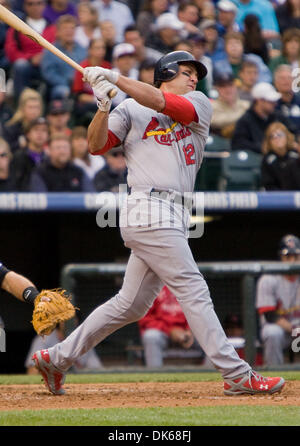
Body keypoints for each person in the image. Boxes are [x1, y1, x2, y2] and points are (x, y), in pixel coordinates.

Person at [32, 49, 285, 396]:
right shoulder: (131, 109)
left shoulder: (199, 103)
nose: (194, 77)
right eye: (185, 71)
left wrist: (116, 78)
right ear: (165, 71)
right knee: (194, 290)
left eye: (196, 73)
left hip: (175, 212)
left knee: (130, 304)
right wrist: (104, 106)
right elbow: (96, 145)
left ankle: (56, 358)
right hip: (147, 206)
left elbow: (167, 105)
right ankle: (236, 373)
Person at [256, 234, 300, 366]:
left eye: (296, 256)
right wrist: (295, 330)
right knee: (272, 333)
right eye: (287, 256)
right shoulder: (269, 278)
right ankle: (275, 373)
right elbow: (270, 315)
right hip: (280, 328)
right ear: (281, 257)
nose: (292, 260)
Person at [139, 285, 204, 368]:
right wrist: (170, 330)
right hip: (162, 332)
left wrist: (189, 329)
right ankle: (155, 377)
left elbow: (200, 312)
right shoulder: (153, 284)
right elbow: (145, 318)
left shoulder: (189, 282)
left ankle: (212, 377)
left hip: (188, 332)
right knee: (150, 336)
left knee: (212, 335)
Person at [4, 0, 56, 98]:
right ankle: (20, 102)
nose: (35, 7)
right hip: (28, 66)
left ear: (44, 5)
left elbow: (59, 48)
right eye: (30, 4)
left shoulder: (53, 28)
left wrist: (45, 57)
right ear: (25, 6)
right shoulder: (16, 27)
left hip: (48, 65)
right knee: (20, 65)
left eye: (39, 3)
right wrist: (30, 58)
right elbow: (11, 52)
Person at [231, 82, 293, 153]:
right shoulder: (245, 121)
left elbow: (293, 130)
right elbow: (238, 143)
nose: (275, 104)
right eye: (270, 101)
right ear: (259, 101)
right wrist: (265, 147)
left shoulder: (278, 116)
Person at [25, 322, 103, 374]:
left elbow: (96, 368)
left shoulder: (83, 340)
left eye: (73, 318)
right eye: (66, 319)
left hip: (77, 383)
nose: (70, 322)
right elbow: (32, 369)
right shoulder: (44, 339)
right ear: (59, 321)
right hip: (52, 380)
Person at [41, 14, 86, 100]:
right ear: (57, 32)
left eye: (72, 28)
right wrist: (67, 82)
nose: (69, 31)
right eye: (65, 28)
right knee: (63, 91)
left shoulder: (82, 49)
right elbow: (49, 74)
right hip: (61, 85)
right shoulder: (50, 50)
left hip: (81, 86)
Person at [30, 134, 94, 192]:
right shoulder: (40, 172)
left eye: (65, 147)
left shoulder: (78, 171)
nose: (62, 151)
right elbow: (40, 198)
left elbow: (90, 195)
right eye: (58, 148)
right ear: (49, 150)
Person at [72, 38, 111, 125]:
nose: (101, 51)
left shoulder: (108, 67)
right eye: (97, 48)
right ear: (90, 50)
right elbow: (79, 96)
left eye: (102, 48)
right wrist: (97, 99)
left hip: (105, 102)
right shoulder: (82, 68)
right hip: (88, 103)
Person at [10, 117, 49, 191]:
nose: (40, 133)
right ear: (28, 134)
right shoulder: (18, 157)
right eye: (36, 129)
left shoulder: (50, 159)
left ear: (48, 136)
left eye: (44, 130)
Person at [261, 121, 299, 191]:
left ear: (287, 136)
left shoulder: (295, 155)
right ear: (269, 141)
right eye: (272, 136)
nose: (277, 139)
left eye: (280, 135)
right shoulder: (267, 160)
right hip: (276, 196)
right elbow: (268, 184)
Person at [3, 88, 43, 153]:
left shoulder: (44, 126)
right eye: (30, 107)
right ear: (22, 108)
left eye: (37, 107)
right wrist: (19, 144)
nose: (34, 111)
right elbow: (5, 151)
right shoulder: (11, 128)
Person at [210, 71, 250, 138]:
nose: (227, 89)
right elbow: (215, 122)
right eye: (223, 86)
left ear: (235, 86)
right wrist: (244, 116)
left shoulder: (246, 105)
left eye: (230, 85)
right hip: (220, 143)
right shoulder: (211, 106)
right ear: (217, 88)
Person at [273, 65, 300, 136]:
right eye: (282, 78)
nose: (286, 81)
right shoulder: (271, 105)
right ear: (275, 82)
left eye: (289, 78)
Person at [110, 43, 139, 108]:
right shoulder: (108, 76)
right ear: (115, 61)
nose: (127, 61)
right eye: (123, 58)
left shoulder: (139, 75)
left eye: (130, 57)